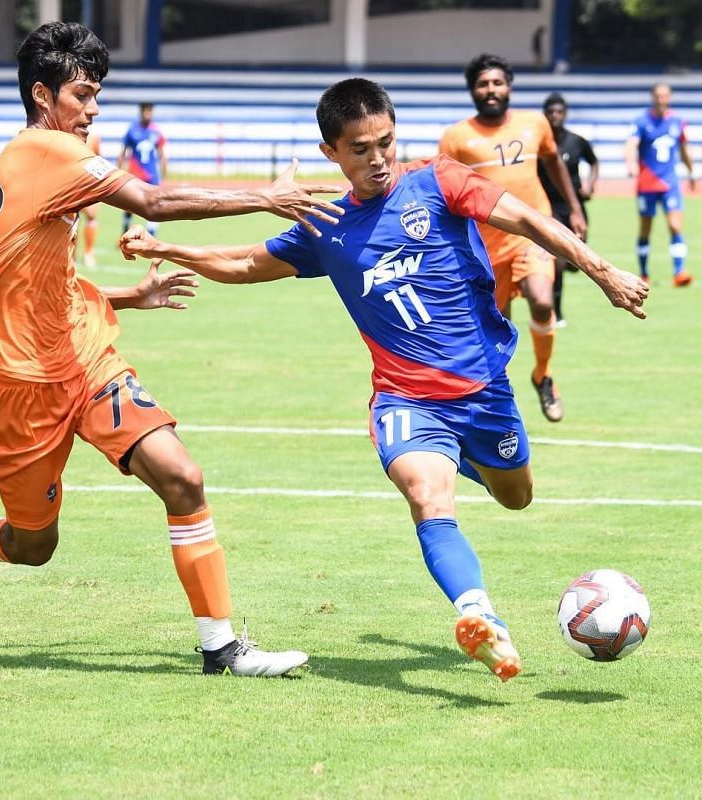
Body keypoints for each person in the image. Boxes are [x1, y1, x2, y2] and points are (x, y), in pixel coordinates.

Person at [117, 78, 648, 682]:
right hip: (404, 398)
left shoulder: (441, 181)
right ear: (332, 154)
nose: (377, 159)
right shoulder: (325, 224)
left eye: (385, 143)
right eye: (360, 149)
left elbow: (528, 219)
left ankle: (461, 457)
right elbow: (243, 263)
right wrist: (169, 248)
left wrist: (602, 271)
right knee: (427, 497)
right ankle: (481, 617)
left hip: (484, 391)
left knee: (516, 495)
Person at [0, 21, 345, 677]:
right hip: (20, 386)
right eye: (83, 93)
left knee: (182, 477)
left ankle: (221, 648)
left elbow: (40, 286)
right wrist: (265, 197)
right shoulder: (49, 154)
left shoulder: (29, 161)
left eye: (97, 93)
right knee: (32, 547)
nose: (93, 107)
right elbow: (154, 199)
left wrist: (125, 299)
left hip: (85, 363)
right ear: (42, 95)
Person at [439, 53, 586, 423]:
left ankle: (544, 375)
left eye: (497, 82)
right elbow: (443, 190)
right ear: (473, 90)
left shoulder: (535, 123)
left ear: (509, 86)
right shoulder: (456, 138)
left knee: (541, 300)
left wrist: (575, 209)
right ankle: (495, 396)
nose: (491, 90)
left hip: (532, 234)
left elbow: (553, 162)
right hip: (485, 249)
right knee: (496, 328)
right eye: (483, 84)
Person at [624, 82, 695, 286]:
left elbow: (684, 149)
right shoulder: (641, 121)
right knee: (646, 229)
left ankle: (679, 272)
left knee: (675, 226)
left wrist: (691, 172)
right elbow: (631, 145)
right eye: (657, 95)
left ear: (670, 97)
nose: (661, 99)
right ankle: (644, 272)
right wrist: (630, 164)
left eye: (664, 96)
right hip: (646, 184)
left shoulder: (677, 122)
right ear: (652, 97)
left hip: (670, 183)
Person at [537, 92, 599, 326]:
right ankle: (557, 313)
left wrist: (590, 185)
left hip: (574, 207)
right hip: (548, 208)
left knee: (575, 263)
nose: (555, 116)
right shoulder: (539, 144)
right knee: (558, 261)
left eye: (559, 112)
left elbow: (593, 162)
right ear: (545, 115)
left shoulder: (577, 141)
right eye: (550, 112)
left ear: (565, 114)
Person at [118, 102, 166, 239]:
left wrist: (164, 171)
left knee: (155, 205)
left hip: (152, 174)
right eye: (145, 111)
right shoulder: (133, 129)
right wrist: (119, 170)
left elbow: (162, 153)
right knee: (129, 205)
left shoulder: (156, 131)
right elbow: (123, 151)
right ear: (141, 112)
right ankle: (124, 231)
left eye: (149, 112)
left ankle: (152, 236)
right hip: (135, 173)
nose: (147, 114)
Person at [78, 128, 102, 268]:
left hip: (87, 184)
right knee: (69, 219)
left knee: (91, 216)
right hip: (69, 183)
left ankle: (88, 252)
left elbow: (98, 158)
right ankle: (72, 254)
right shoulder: (65, 136)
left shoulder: (93, 137)